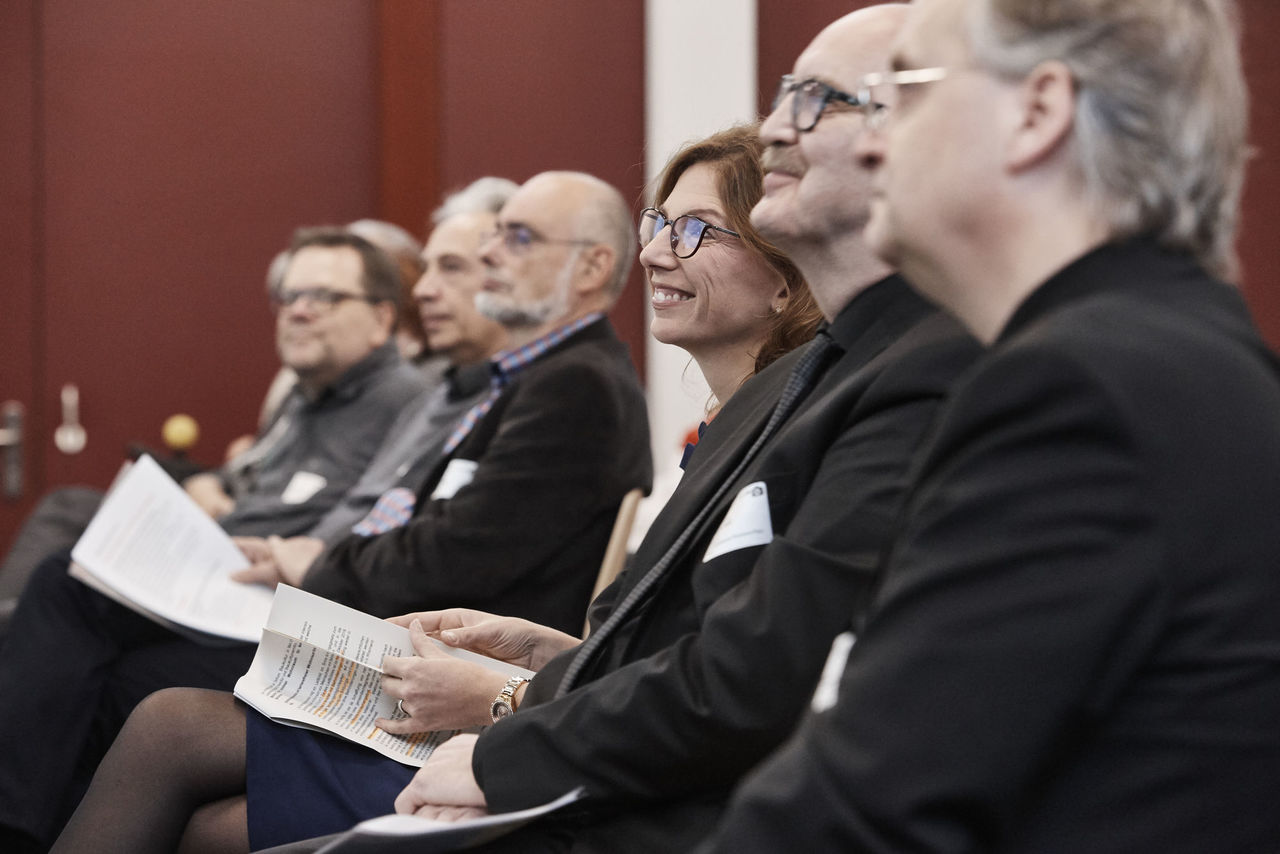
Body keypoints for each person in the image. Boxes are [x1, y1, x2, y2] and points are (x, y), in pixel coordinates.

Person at [56, 12, 978, 844]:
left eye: (693, 232)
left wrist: (507, 705)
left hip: (645, 788)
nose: (657, 252)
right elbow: (692, 638)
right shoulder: (794, 383)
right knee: (137, 689)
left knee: (165, 726)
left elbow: (755, 678)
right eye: (660, 224)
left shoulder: (873, 377)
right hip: (588, 723)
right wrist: (548, 657)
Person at [704, 1, 1280, 852]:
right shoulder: (1155, 350)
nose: (872, 142)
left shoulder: (1076, 389)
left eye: (911, 93)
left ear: (1036, 113)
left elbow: (869, 803)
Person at [0, 226, 430, 853]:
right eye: (289, 295)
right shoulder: (305, 397)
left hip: (276, 594)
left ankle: (13, 820)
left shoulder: (401, 400)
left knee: (67, 587)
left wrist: (247, 526)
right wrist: (212, 490)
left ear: (382, 318)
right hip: (224, 571)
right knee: (74, 558)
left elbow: (356, 526)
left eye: (324, 296)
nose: (299, 309)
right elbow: (263, 488)